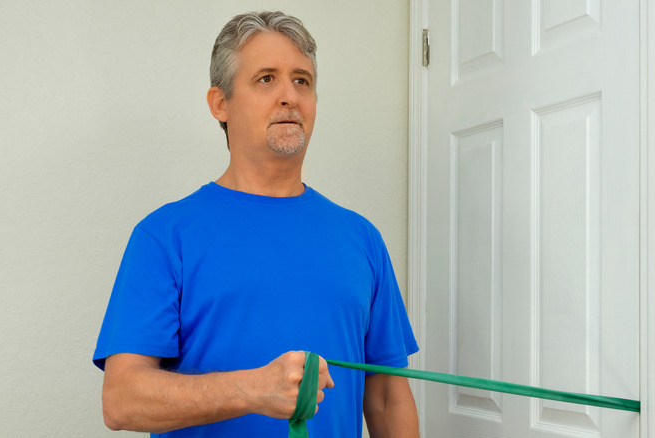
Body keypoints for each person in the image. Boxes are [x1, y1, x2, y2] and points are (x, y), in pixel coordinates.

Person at [93, 11, 419, 437]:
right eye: (266, 79)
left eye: (302, 80)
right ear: (220, 103)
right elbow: (122, 401)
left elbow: (386, 398)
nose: (289, 95)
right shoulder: (164, 236)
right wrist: (253, 390)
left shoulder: (361, 239)